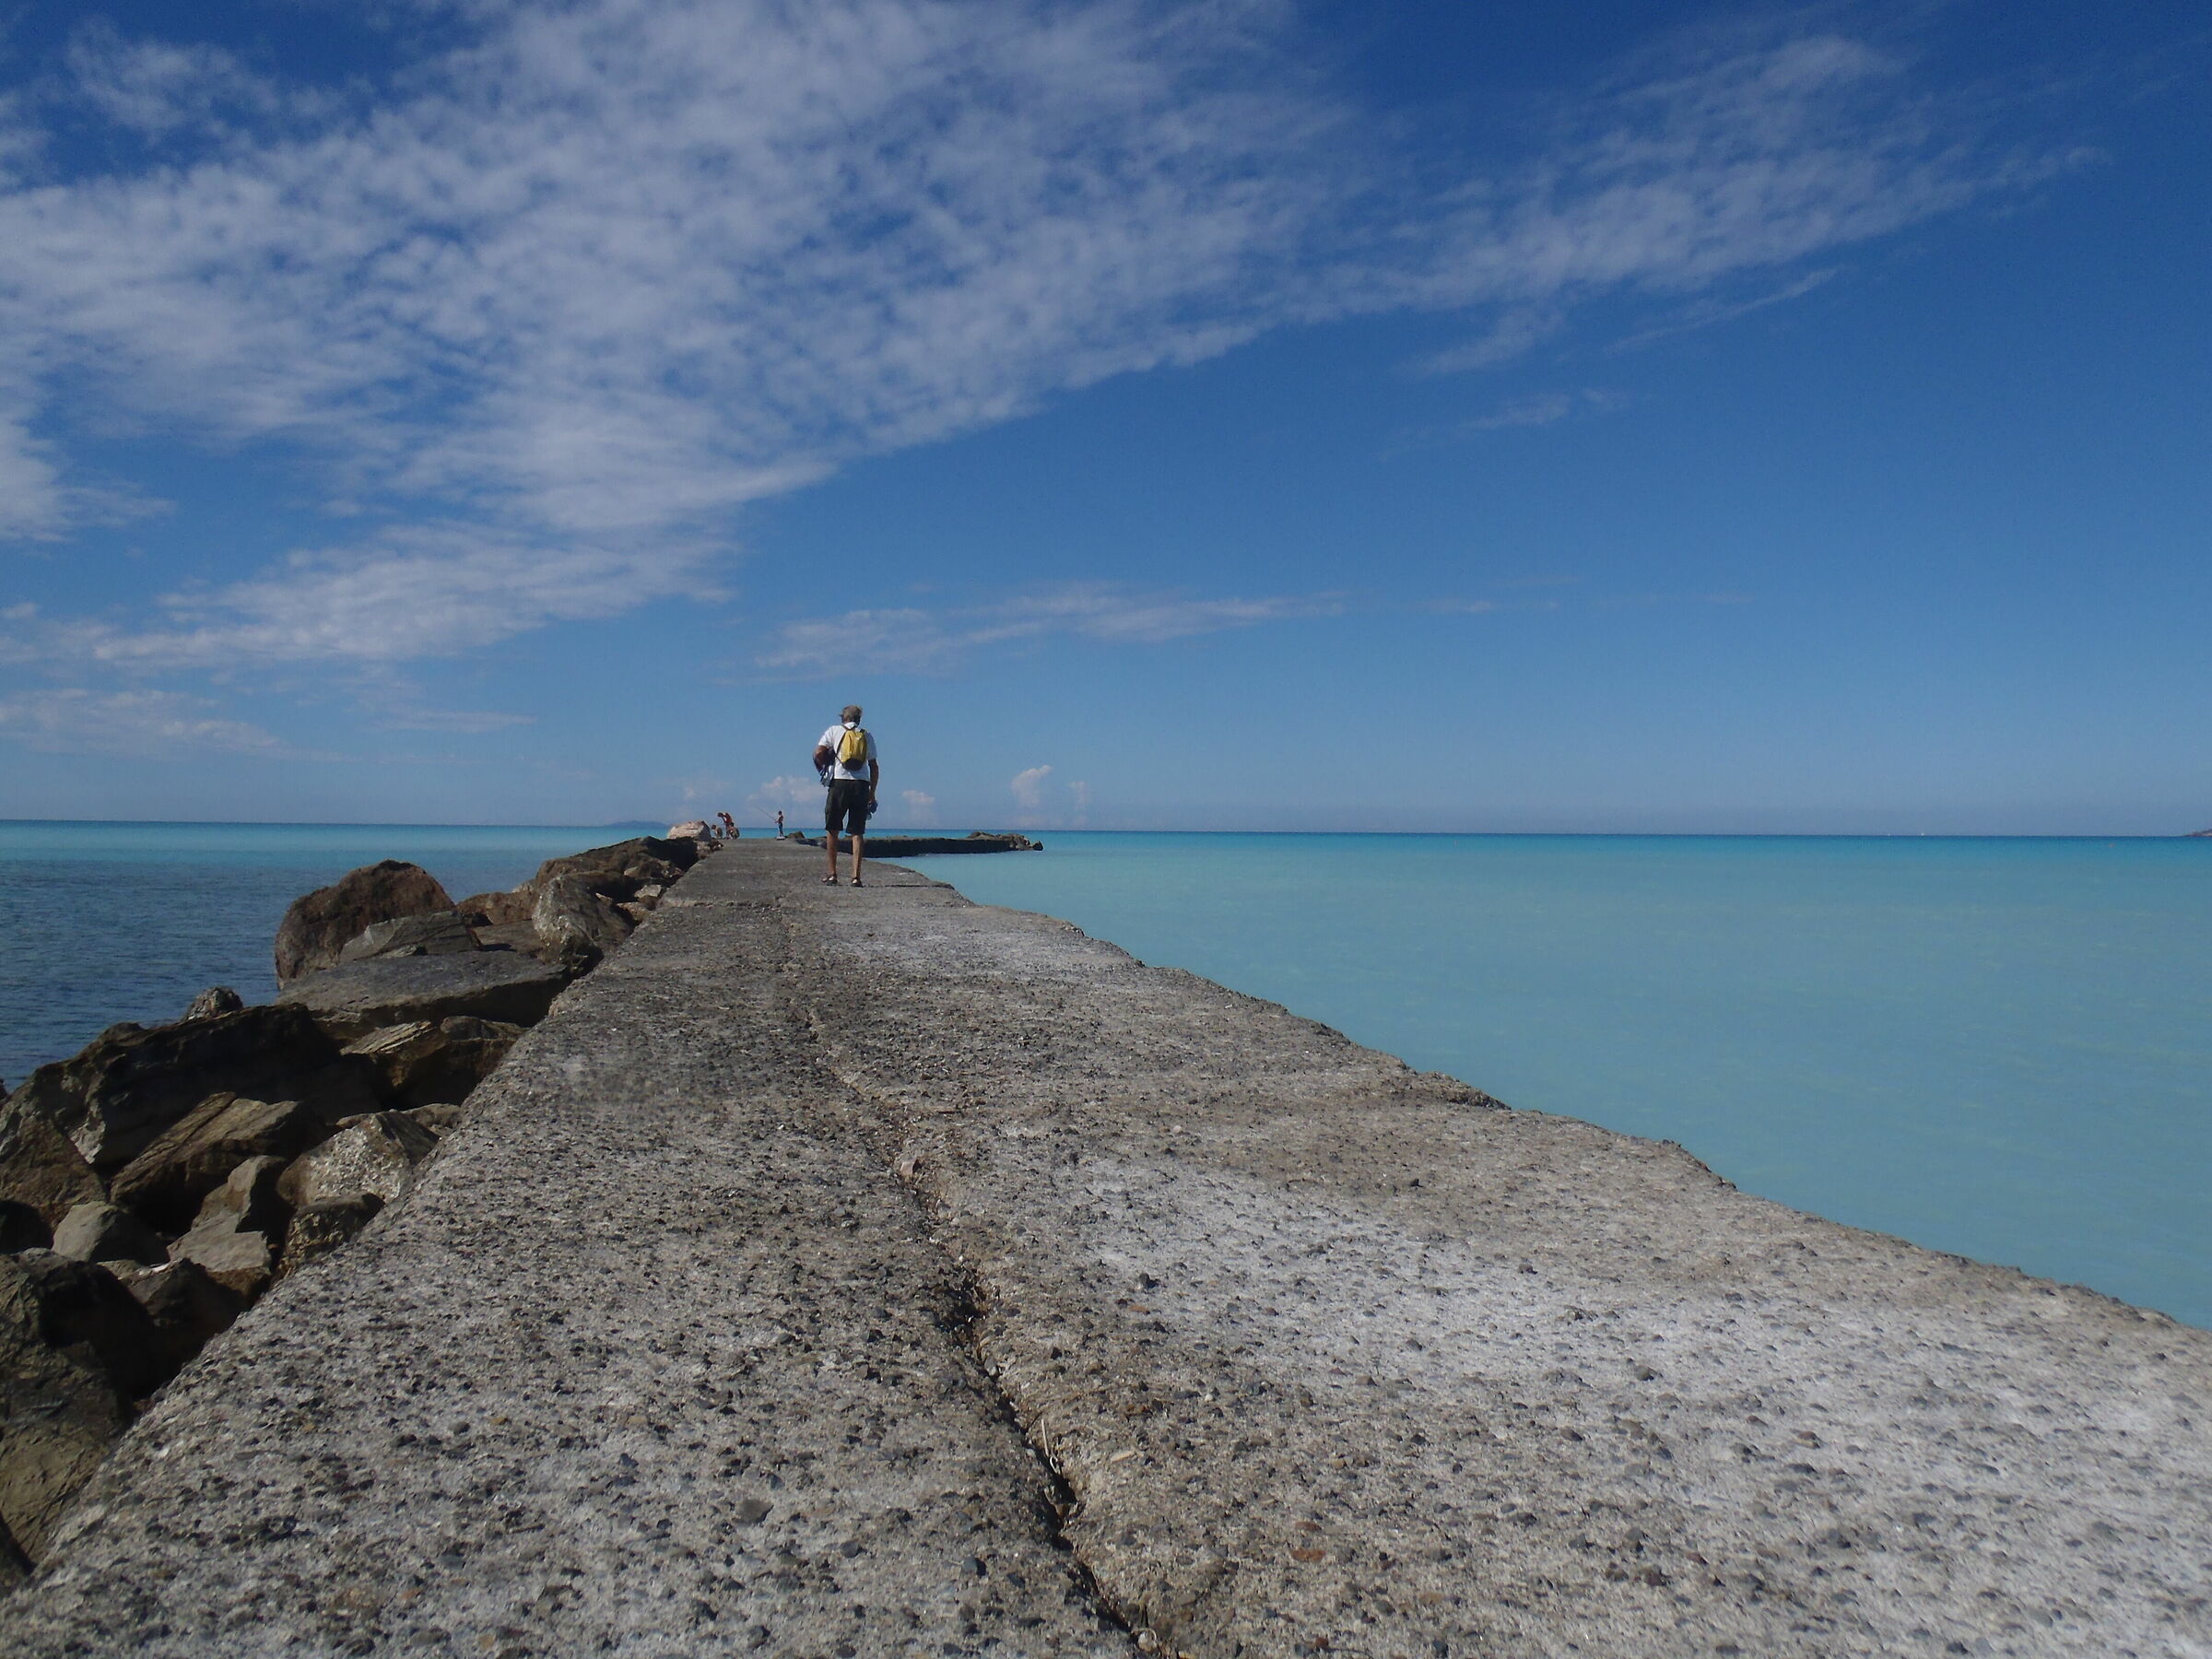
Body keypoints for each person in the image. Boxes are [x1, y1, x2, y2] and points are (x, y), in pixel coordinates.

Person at [813, 704, 878, 886]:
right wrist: (872, 792)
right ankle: (856, 877)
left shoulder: (833, 731)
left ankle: (833, 874)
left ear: (843, 717)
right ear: (859, 719)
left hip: (839, 782)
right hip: (861, 784)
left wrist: (822, 767)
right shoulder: (866, 735)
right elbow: (874, 766)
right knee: (857, 832)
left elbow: (818, 752)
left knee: (833, 829)